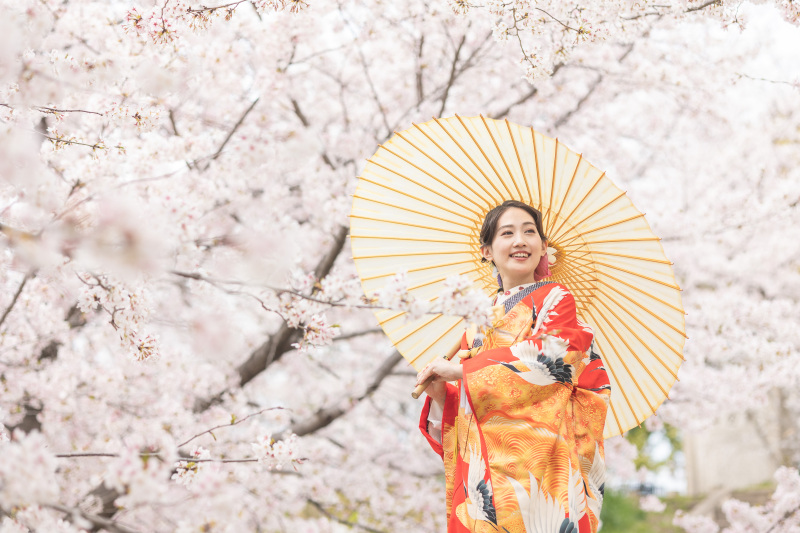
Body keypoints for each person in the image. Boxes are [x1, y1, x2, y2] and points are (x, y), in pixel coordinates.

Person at [415, 200, 611, 533]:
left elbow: (553, 358)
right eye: (507, 233)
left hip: (537, 471)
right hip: (481, 480)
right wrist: (439, 395)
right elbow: (463, 414)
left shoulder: (555, 299)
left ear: (544, 248)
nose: (520, 240)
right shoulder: (477, 319)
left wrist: (464, 372)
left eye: (530, 232)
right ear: (487, 250)